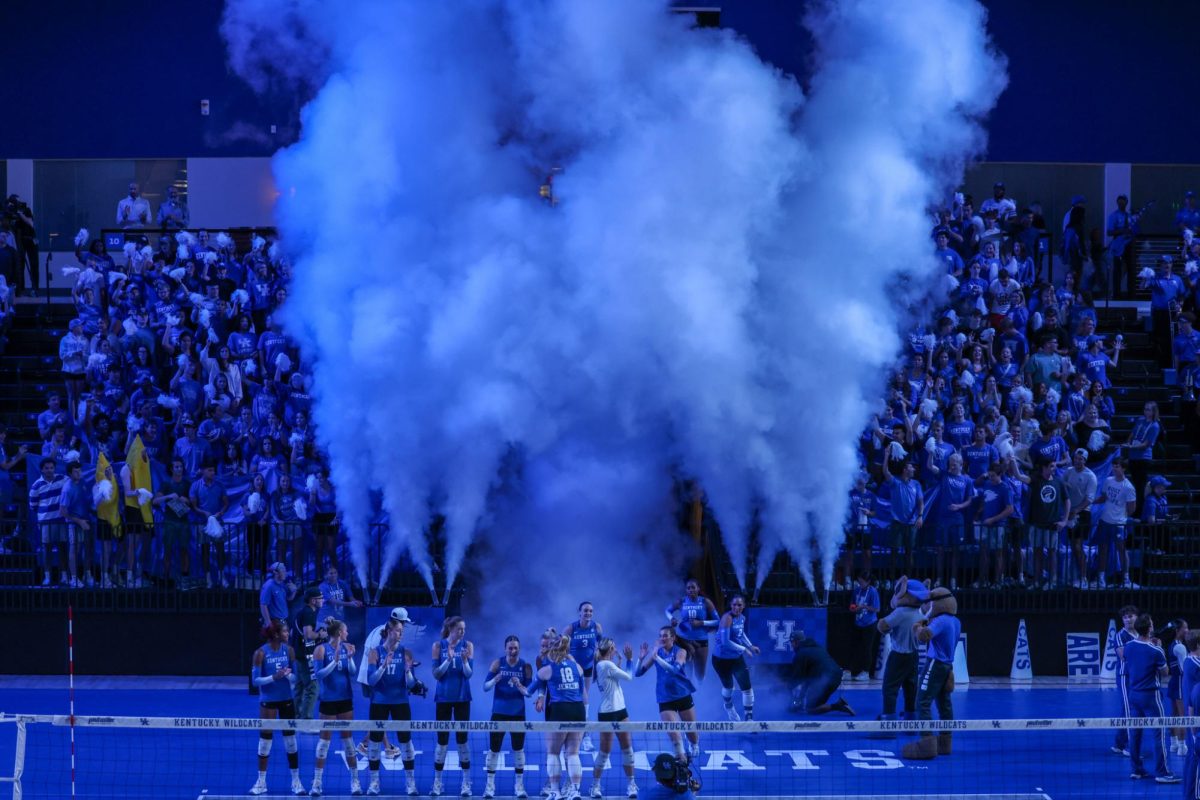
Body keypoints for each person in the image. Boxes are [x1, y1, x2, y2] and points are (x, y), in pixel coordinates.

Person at [901, 586, 961, 760]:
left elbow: (925, 635)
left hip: (935, 664)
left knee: (922, 701)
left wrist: (917, 627)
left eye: (931, 603)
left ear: (938, 603)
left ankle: (926, 743)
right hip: (947, 666)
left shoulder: (941, 620)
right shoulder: (956, 621)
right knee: (944, 704)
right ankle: (944, 742)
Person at [249, 620, 306, 796]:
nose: (288, 634)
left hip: (286, 700)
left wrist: (287, 676)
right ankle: (261, 782)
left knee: (290, 741)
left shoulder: (289, 650)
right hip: (268, 701)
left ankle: (296, 782)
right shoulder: (260, 653)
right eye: (286, 631)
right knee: (265, 741)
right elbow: (255, 681)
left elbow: (296, 679)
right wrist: (274, 677)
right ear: (276, 634)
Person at [367, 616, 420, 797]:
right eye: (398, 631)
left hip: (400, 702)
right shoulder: (375, 652)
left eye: (402, 631)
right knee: (374, 743)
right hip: (379, 702)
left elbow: (412, 685)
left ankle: (410, 783)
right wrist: (383, 666)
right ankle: (374, 782)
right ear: (389, 632)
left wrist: (407, 671)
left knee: (406, 742)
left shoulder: (406, 653)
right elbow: (371, 680)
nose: (400, 634)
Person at [1124, 614, 1179, 783]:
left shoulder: (1128, 646)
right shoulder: (1156, 650)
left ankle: (1136, 770)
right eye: (1152, 625)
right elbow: (1165, 673)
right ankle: (1162, 772)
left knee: (1135, 732)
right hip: (1150, 696)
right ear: (1149, 629)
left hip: (1133, 694)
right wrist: (1160, 648)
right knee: (1159, 733)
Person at [311, 618, 361, 796]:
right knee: (324, 741)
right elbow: (319, 675)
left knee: (348, 740)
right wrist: (334, 661)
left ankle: (355, 781)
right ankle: (316, 783)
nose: (347, 633)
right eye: (345, 631)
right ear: (339, 632)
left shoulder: (348, 647)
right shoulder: (321, 649)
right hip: (328, 700)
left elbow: (353, 673)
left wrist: (350, 658)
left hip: (345, 699)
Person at [636, 626, 699, 765]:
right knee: (673, 731)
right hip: (665, 697)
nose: (662, 638)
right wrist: (640, 659)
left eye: (665, 635)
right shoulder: (656, 653)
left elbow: (674, 670)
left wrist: (656, 657)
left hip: (682, 695)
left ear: (673, 638)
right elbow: (638, 673)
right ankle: (681, 757)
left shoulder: (680, 651)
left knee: (691, 731)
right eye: (660, 636)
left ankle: (694, 745)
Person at [483, 635, 533, 800]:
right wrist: (495, 680)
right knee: (494, 749)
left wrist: (519, 685)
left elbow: (529, 693)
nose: (513, 651)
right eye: (510, 648)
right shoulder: (498, 663)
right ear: (505, 648)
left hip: (518, 715)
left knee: (518, 750)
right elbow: (485, 687)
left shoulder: (525, 666)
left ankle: (519, 787)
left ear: (519, 648)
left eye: (515, 648)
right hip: (499, 713)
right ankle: (490, 787)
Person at [537, 634, 586, 800]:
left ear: (553, 647)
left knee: (553, 753)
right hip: (578, 710)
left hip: (559, 710)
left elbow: (532, 687)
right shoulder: (577, 666)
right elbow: (583, 695)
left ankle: (555, 791)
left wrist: (531, 691)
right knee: (573, 754)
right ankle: (575, 791)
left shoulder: (547, 667)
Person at [875, 578, 928, 727]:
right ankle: (911, 721)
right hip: (914, 655)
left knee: (890, 688)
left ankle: (888, 723)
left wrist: (882, 625)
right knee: (911, 688)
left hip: (898, 656)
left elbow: (883, 625)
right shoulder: (920, 614)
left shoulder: (900, 612)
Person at [589, 638, 637, 800]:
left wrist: (619, 662)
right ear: (609, 649)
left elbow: (614, 678)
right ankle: (595, 785)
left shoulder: (605, 665)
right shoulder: (605, 665)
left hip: (621, 711)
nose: (616, 649)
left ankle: (631, 785)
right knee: (604, 752)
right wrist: (630, 659)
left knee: (628, 749)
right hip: (608, 714)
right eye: (614, 647)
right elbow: (629, 677)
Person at [431, 616, 474, 798]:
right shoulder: (438, 646)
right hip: (443, 698)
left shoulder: (468, 646)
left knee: (462, 739)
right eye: (459, 629)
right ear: (451, 629)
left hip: (462, 698)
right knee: (442, 740)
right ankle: (437, 782)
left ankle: (466, 782)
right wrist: (448, 660)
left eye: (463, 629)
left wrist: (464, 662)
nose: (462, 632)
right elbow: (436, 674)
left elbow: (469, 674)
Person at [711, 594, 759, 721]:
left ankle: (749, 719)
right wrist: (744, 649)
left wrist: (751, 646)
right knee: (729, 688)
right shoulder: (726, 618)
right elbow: (725, 642)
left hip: (736, 659)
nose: (736, 607)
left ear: (743, 606)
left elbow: (740, 633)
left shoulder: (742, 618)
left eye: (739, 605)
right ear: (730, 605)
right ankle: (728, 706)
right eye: (734, 604)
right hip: (721, 660)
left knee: (747, 688)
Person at [562, 601, 603, 752]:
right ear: (579, 612)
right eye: (585, 611)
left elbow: (600, 648)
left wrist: (599, 667)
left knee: (584, 701)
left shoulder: (596, 627)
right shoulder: (571, 628)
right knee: (572, 700)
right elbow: (561, 649)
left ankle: (585, 737)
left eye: (591, 611)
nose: (588, 613)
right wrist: (570, 662)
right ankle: (567, 735)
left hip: (587, 669)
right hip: (572, 670)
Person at [786, 629, 853, 715]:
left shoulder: (801, 654)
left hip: (825, 679)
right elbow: (807, 680)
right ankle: (837, 704)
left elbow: (796, 680)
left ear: (796, 642)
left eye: (792, 643)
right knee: (816, 703)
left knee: (810, 709)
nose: (792, 646)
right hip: (837, 677)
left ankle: (838, 706)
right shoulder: (817, 648)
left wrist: (784, 688)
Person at [664, 579, 719, 684]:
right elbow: (667, 611)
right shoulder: (682, 601)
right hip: (684, 641)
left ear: (698, 589)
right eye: (688, 588)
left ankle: (700, 694)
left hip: (701, 641)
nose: (690, 590)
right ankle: (689, 696)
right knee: (686, 672)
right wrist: (671, 618)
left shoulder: (705, 602)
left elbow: (718, 621)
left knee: (700, 674)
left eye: (693, 587)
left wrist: (702, 623)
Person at [881, 455, 924, 584]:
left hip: (911, 524)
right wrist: (886, 455)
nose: (914, 470)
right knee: (894, 552)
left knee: (909, 553)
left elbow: (920, 502)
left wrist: (920, 516)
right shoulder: (895, 482)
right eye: (912, 468)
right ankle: (891, 580)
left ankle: (908, 580)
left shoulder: (916, 484)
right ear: (905, 469)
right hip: (897, 523)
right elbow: (885, 471)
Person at [1027, 458, 1069, 590]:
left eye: (1054, 466)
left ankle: (1053, 581)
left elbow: (1067, 501)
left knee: (1052, 553)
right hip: (1036, 524)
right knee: (1037, 552)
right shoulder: (1035, 479)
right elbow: (1019, 477)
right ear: (1044, 468)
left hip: (1052, 524)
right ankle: (1037, 581)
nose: (1054, 469)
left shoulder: (1058, 481)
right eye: (1051, 466)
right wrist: (1012, 460)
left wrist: (1065, 520)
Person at [1096, 458, 1137, 589]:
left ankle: (1126, 579)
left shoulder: (1128, 487)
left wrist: (1121, 517)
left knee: (1122, 550)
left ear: (1123, 468)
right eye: (1113, 466)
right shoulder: (1108, 481)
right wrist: (1090, 502)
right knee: (1103, 549)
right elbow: (1103, 497)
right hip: (1104, 521)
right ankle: (1101, 578)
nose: (1114, 469)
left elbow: (1132, 509)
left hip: (1118, 523)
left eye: (1117, 466)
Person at [154, 457, 193, 588]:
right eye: (176, 467)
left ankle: (185, 578)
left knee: (184, 550)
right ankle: (165, 578)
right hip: (169, 521)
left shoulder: (187, 484)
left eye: (181, 466)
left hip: (183, 521)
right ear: (171, 469)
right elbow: (155, 501)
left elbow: (193, 502)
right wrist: (168, 496)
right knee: (168, 550)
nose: (179, 469)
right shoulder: (166, 483)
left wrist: (186, 500)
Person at [189, 462, 229, 589]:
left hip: (217, 522)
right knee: (205, 551)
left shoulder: (220, 485)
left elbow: (226, 503)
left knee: (220, 551)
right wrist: (204, 512)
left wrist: (220, 513)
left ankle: (221, 577)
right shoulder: (195, 486)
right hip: (203, 524)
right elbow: (193, 507)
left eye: (213, 470)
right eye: (210, 470)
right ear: (202, 470)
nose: (213, 473)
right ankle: (208, 579)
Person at [29, 457, 67, 586]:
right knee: (47, 549)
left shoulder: (63, 479)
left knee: (62, 547)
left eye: (51, 468)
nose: (50, 470)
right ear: (41, 470)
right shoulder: (36, 486)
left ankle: (63, 576)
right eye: (47, 468)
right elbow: (33, 506)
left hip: (61, 520)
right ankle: (47, 577)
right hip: (45, 522)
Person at [1061, 449, 1096, 588]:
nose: (1077, 461)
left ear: (1085, 460)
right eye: (1076, 458)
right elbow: (1062, 488)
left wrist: (1076, 510)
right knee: (1073, 547)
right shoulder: (1068, 472)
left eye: (1081, 459)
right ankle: (1076, 576)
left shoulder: (1091, 476)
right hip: (1070, 512)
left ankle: (1083, 578)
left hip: (1082, 514)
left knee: (1077, 546)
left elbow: (1089, 499)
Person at [293, 587, 327, 721]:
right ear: (313, 601)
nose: (322, 600)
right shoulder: (309, 613)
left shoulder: (303, 612)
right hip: (306, 655)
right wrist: (320, 634)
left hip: (299, 653)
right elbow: (308, 635)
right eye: (320, 598)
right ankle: (306, 720)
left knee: (300, 686)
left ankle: (295, 717)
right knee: (312, 687)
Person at [57, 461, 91, 588]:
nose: (79, 473)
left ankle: (87, 576)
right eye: (76, 471)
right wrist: (79, 521)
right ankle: (74, 579)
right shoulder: (67, 488)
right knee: (74, 550)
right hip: (73, 524)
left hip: (85, 522)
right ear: (70, 473)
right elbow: (62, 511)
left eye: (80, 470)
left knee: (86, 549)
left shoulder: (83, 483)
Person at [1125, 401, 1160, 519]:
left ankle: (1140, 512)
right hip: (1133, 457)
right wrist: (1128, 443)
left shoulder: (1155, 425)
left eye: (1149, 409)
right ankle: (1135, 510)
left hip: (1143, 458)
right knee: (1134, 485)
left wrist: (1131, 447)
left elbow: (1146, 445)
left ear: (1154, 411)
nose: (1146, 411)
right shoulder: (1140, 420)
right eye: (1145, 409)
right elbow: (1132, 434)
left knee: (1140, 487)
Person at [847, 571, 880, 681]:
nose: (860, 583)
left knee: (867, 649)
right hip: (858, 622)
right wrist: (853, 608)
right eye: (859, 581)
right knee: (854, 647)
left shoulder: (873, 592)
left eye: (862, 582)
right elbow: (852, 604)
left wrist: (863, 607)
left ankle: (865, 672)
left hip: (869, 624)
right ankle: (851, 671)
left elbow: (876, 609)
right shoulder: (857, 590)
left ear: (868, 582)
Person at [259, 561, 295, 631]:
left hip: (283, 621)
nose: (286, 573)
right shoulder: (269, 586)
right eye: (283, 571)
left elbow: (289, 599)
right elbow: (263, 605)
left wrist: (294, 591)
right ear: (276, 572)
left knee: (283, 641)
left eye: (285, 570)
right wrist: (268, 622)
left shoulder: (282, 585)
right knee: (275, 641)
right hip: (274, 622)